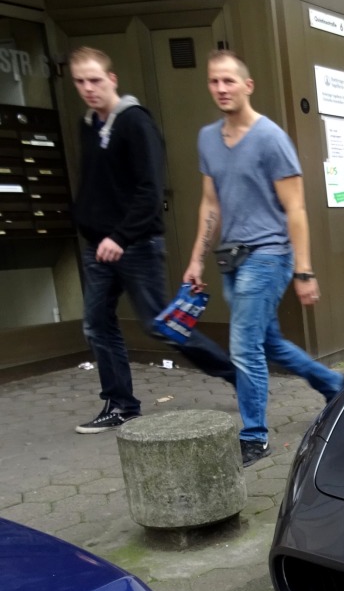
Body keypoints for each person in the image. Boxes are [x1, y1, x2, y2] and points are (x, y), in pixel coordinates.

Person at [183, 50, 344, 467]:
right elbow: (210, 202)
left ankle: (254, 435)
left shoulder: (271, 138)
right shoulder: (207, 138)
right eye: (214, 81)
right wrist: (196, 260)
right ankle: (334, 385)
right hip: (231, 259)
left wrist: (304, 270)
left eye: (229, 81)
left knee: (244, 346)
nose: (221, 88)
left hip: (270, 256)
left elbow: (297, 209)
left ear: (247, 85)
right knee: (266, 341)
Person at [68, 46, 236, 434]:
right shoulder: (88, 124)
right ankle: (121, 404)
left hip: (137, 244)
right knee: (96, 324)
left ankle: (238, 377)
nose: (88, 88)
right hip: (98, 247)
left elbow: (150, 190)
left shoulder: (135, 123)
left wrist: (121, 236)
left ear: (111, 79)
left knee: (162, 325)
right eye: (80, 81)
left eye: (95, 80)